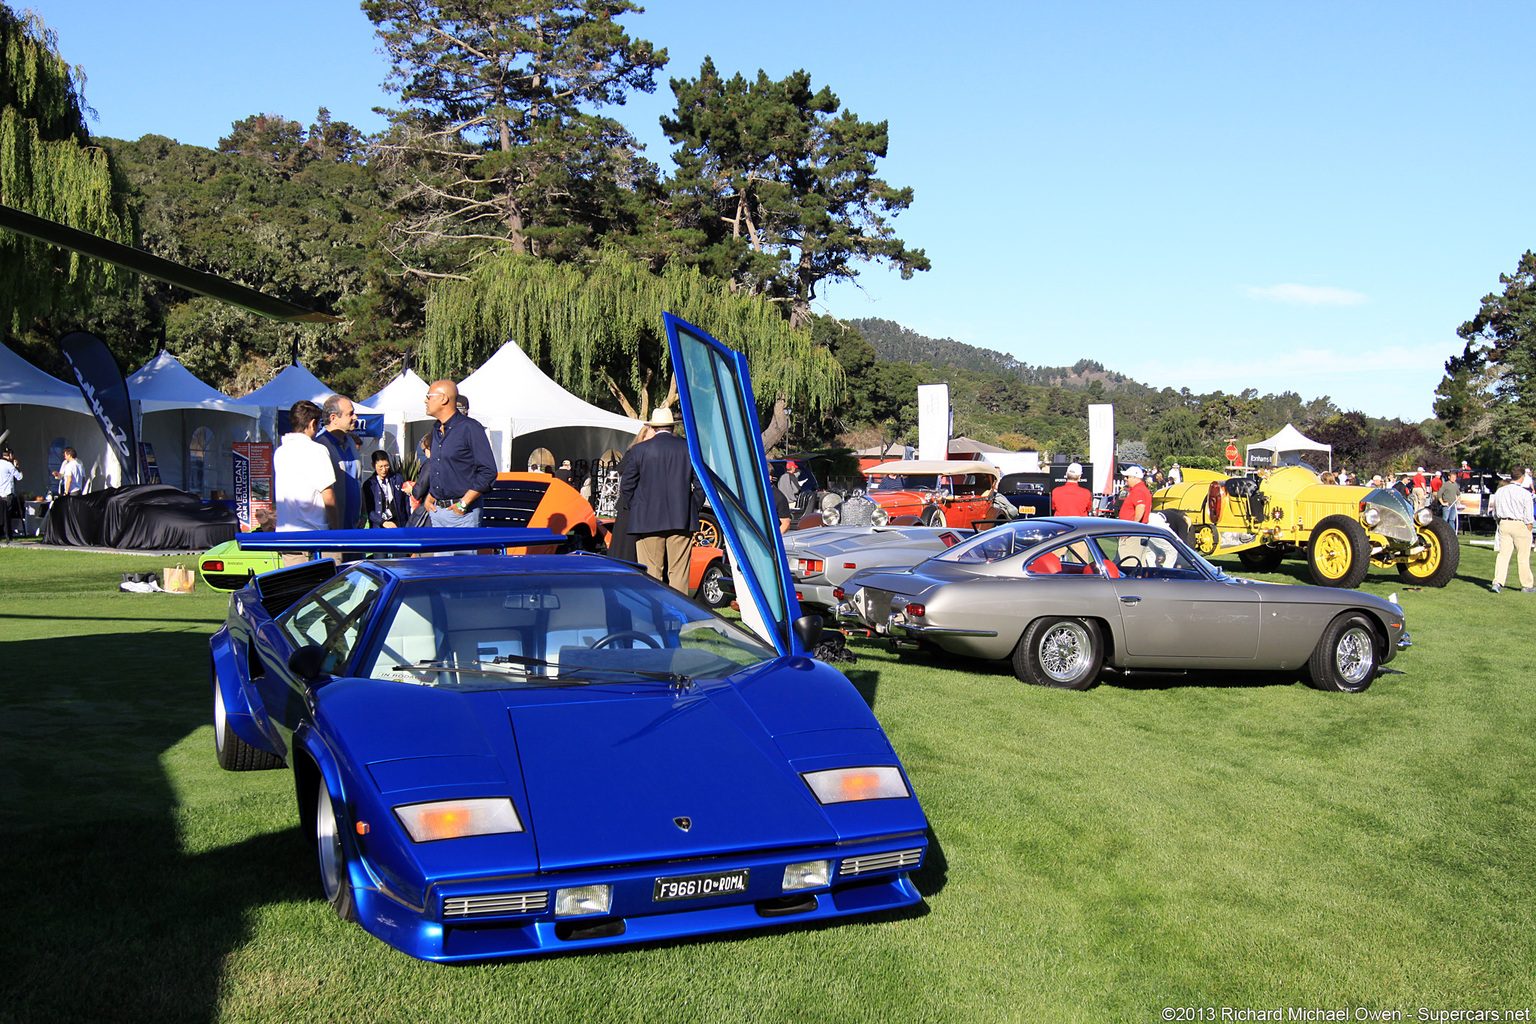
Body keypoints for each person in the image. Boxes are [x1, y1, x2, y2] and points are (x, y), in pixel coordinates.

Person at [619, 407, 701, 591]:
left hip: (647, 520)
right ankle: (681, 616)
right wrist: (691, 507)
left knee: (651, 573)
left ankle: (654, 616)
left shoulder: (640, 450)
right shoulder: (687, 448)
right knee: (679, 573)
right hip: (682, 518)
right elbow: (700, 485)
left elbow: (627, 486)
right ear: (672, 427)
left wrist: (638, 508)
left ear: (654, 428)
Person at [417, 380, 497, 528]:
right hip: (437, 513)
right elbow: (440, 468)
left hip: (463, 514)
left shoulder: (470, 428)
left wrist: (463, 503)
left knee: (462, 552)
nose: (425, 400)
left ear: (444, 398)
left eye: (429, 396)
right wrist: (431, 496)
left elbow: (488, 471)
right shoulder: (436, 430)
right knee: (441, 552)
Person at [274, 400, 339, 534]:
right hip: (314, 534)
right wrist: (337, 530)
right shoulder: (318, 450)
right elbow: (328, 494)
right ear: (311, 423)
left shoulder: (280, 452)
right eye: (318, 425)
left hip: (286, 534)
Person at [606, 424, 656, 563]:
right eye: (652, 433)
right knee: (625, 546)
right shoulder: (634, 452)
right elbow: (623, 472)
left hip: (637, 505)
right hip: (630, 506)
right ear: (643, 435)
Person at [315, 394, 362, 529]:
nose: (355, 418)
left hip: (355, 530)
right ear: (334, 418)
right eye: (350, 414)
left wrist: (363, 514)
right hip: (333, 533)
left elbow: (358, 481)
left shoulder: (351, 442)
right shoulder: (320, 446)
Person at [1489, 467, 1534, 593]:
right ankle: (1527, 585)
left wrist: (1499, 521)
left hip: (1504, 523)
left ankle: (1497, 582)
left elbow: (1495, 512)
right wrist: (1528, 528)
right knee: (1523, 556)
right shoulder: (1525, 493)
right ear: (1522, 477)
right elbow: (1529, 516)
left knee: (1503, 555)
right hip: (1519, 524)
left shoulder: (1501, 491)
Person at [362, 450, 409, 528]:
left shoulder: (398, 479)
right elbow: (369, 509)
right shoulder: (369, 485)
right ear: (373, 465)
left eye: (386, 466)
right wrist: (382, 522)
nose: (384, 470)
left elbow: (405, 502)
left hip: (399, 524)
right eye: (380, 467)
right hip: (379, 526)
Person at [0, 447, 22, 541]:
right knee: (7, 516)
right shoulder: (9, 465)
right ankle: (8, 534)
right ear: (10, 455)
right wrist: (17, 467)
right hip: (7, 493)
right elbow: (19, 476)